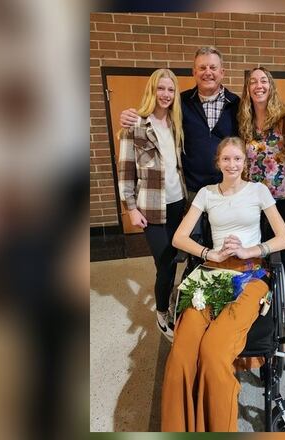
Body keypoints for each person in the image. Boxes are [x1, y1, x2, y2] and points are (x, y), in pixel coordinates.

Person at [162, 136, 285, 431]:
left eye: (238, 159)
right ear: (217, 162)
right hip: (212, 272)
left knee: (214, 352)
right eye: (226, 159)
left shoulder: (258, 190)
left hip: (250, 274)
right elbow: (179, 237)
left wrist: (250, 250)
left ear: (245, 163)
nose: (232, 164)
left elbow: (283, 237)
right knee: (181, 354)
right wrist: (211, 253)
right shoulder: (206, 193)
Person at [116, 68, 186, 342]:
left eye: (170, 89)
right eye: (161, 88)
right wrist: (131, 208)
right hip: (151, 207)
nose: (166, 94)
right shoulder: (134, 125)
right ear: (152, 90)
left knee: (178, 259)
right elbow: (125, 170)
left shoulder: (177, 124)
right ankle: (161, 313)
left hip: (179, 203)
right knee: (165, 263)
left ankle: (172, 299)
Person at [120, 46, 240, 200]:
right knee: (190, 225)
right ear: (194, 72)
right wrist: (130, 115)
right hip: (192, 191)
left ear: (222, 72)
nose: (208, 72)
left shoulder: (237, 104)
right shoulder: (180, 102)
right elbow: (156, 111)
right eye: (202, 67)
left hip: (227, 187)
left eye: (213, 67)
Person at [237, 66, 285, 324]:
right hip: (253, 198)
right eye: (253, 82)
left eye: (263, 81)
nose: (258, 85)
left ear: (271, 86)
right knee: (256, 247)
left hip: (283, 198)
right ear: (248, 88)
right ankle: (261, 295)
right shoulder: (244, 120)